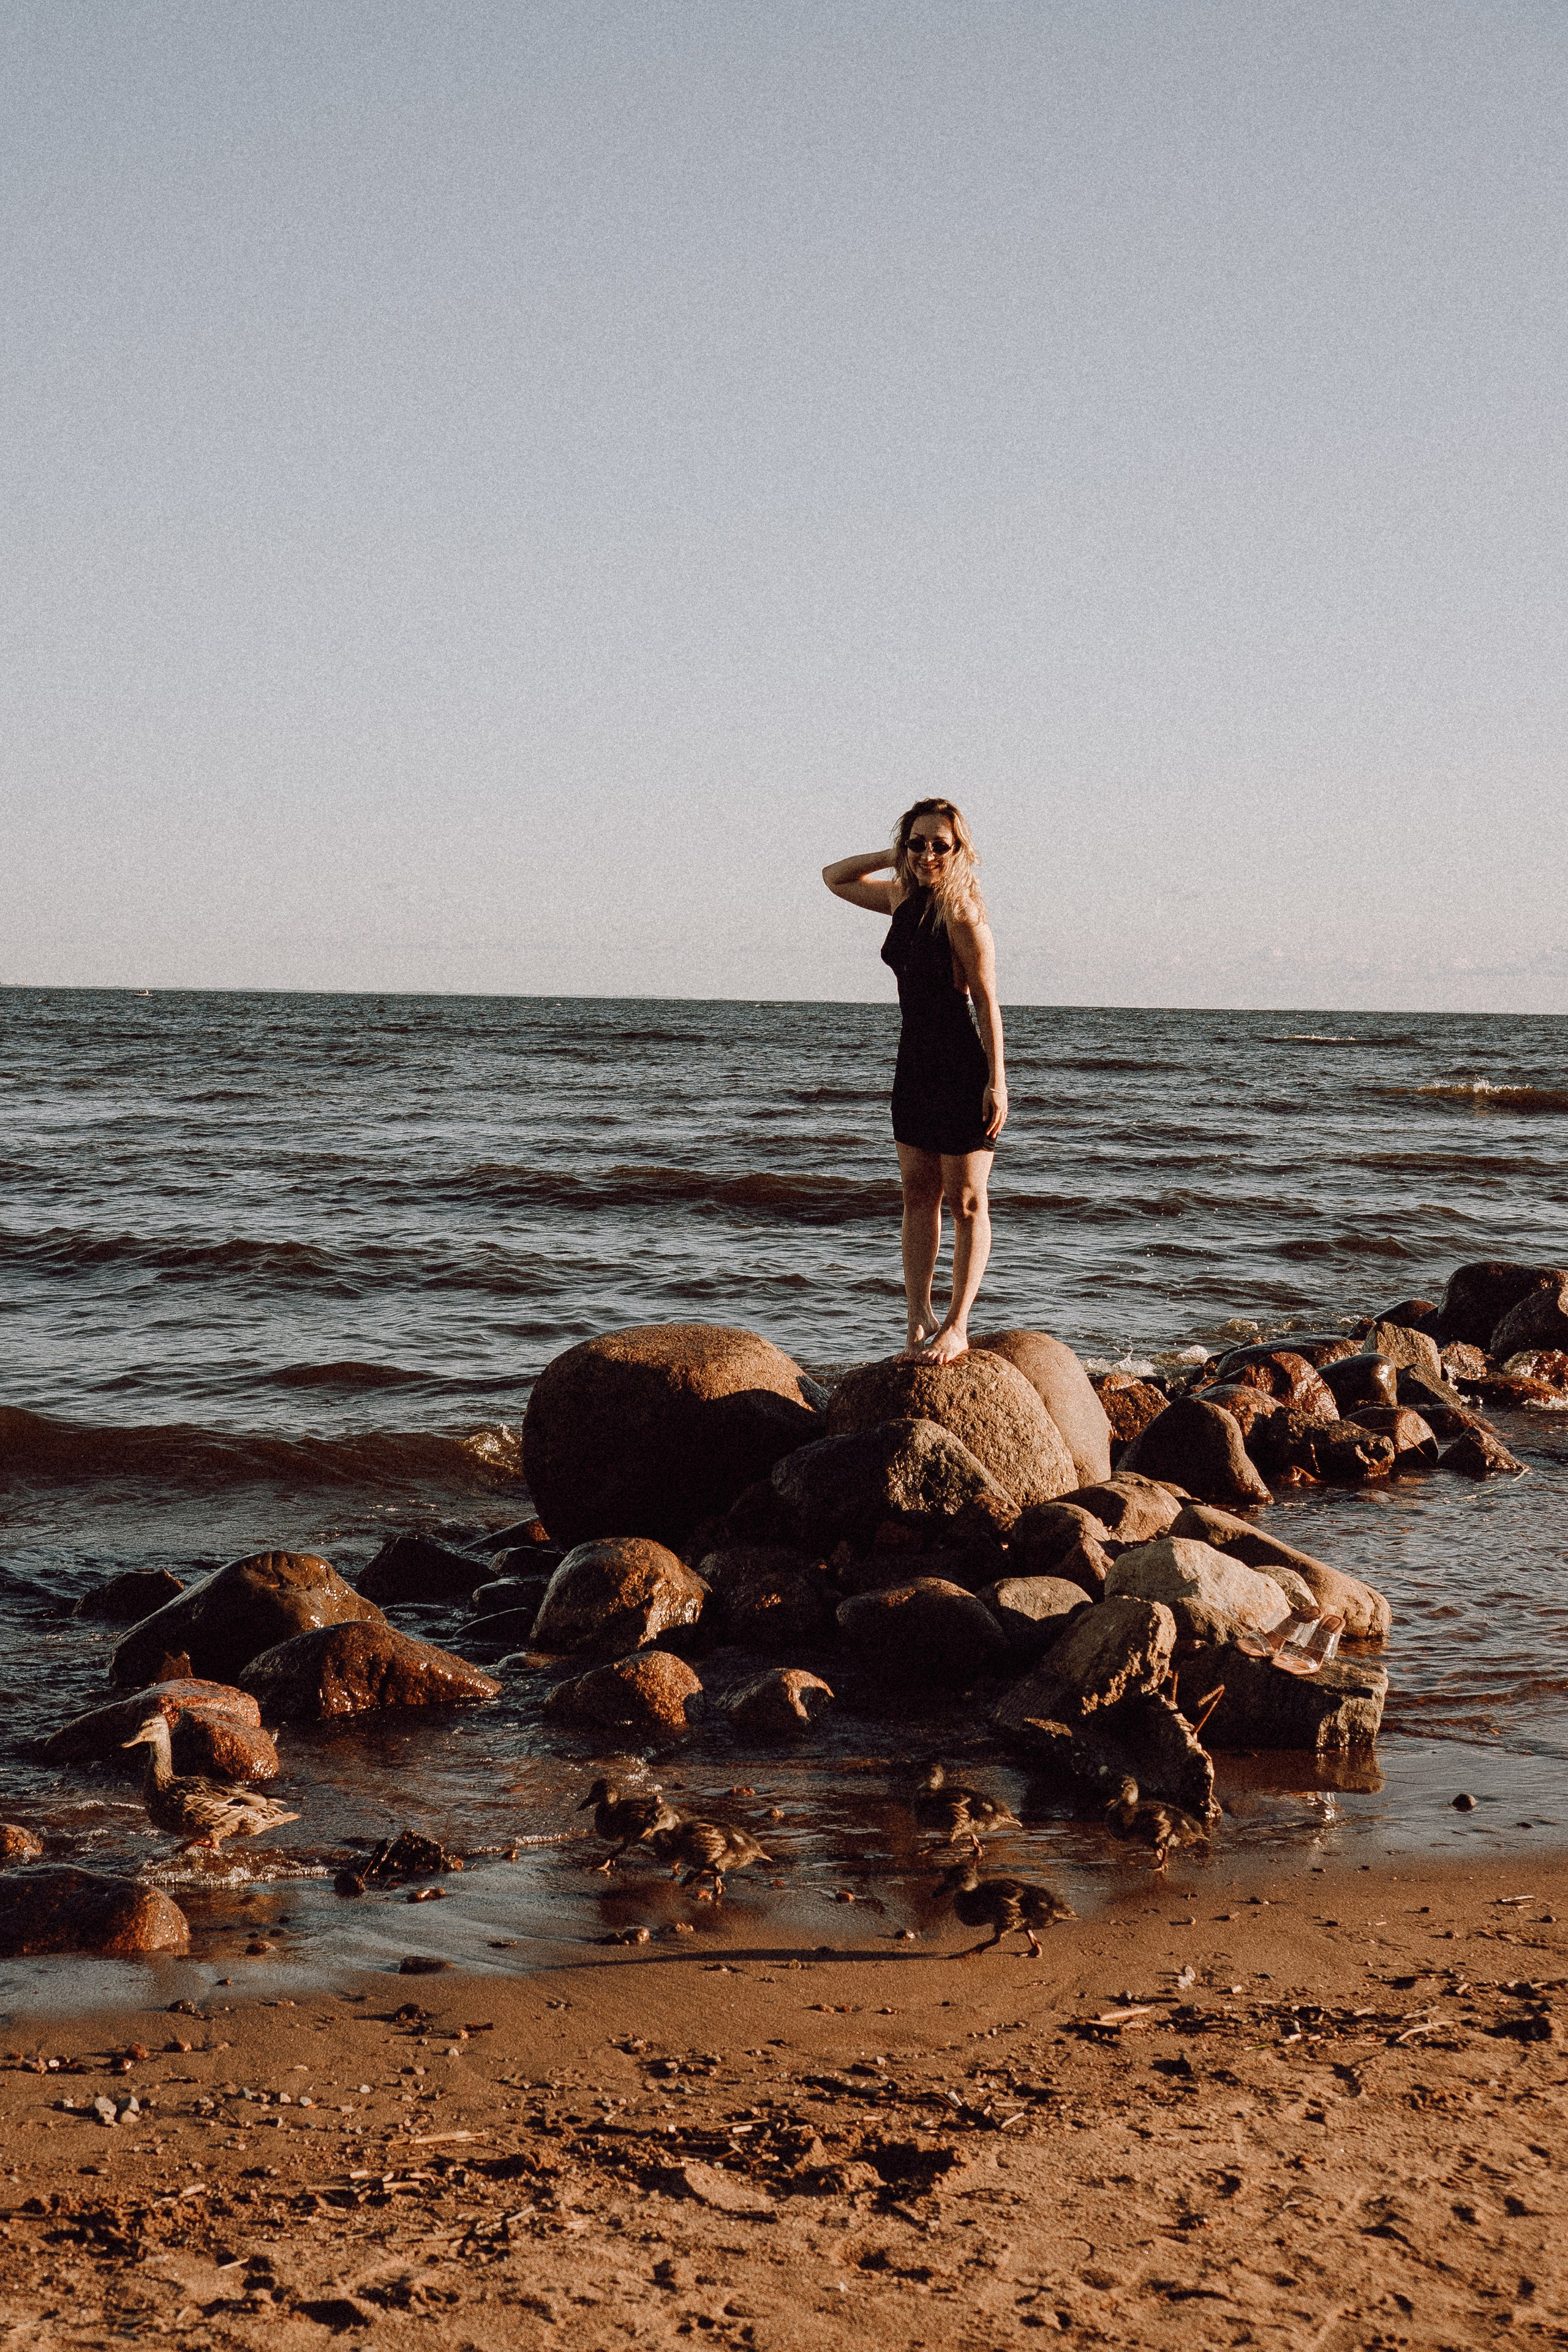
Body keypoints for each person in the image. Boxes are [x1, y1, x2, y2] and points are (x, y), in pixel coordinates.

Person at [823, 799, 1007, 1362]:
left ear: (959, 851)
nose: (928, 854)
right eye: (918, 843)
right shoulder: (901, 896)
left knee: (967, 1202)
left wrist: (997, 1083)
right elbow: (835, 878)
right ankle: (918, 1317)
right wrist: (894, 856)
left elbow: (987, 1004)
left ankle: (957, 1325)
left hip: (961, 1067)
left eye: (940, 845)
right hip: (914, 1066)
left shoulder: (964, 916)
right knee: (916, 1195)